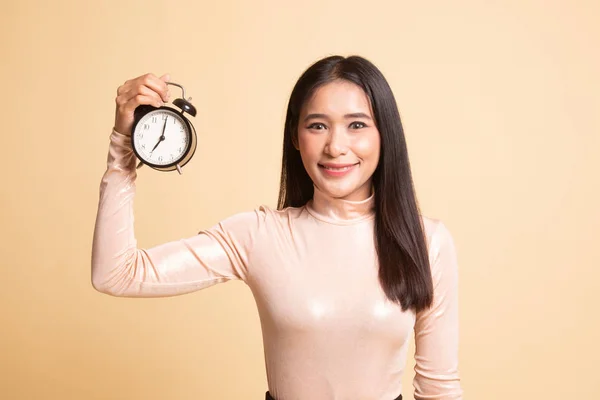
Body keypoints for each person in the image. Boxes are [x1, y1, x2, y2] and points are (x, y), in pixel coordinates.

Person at [91, 55, 463, 400]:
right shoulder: (259, 235)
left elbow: (439, 387)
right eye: (318, 125)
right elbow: (116, 274)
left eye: (357, 125)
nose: (336, 146)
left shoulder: (427, 241)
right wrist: (123, 145)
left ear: (385, 135)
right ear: (295, 138)